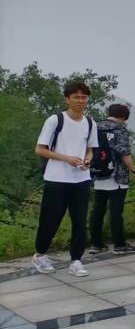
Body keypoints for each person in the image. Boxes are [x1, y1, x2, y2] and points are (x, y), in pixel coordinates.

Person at [32, 82, 99, 277]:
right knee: (50, 220)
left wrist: (88, 159)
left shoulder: (90, 122)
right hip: (57, 179)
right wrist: (66, 158)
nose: (80, 101)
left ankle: (76, 260)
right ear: (67, 99)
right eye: (76, 97)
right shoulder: (55, 120)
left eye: (84, 97)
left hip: (81, 179)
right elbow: (40, 149)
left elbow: (90, 149)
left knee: (80, 222)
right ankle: (40, 254)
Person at [89, 104, 135, 255]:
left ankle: (96, 244)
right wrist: (134, 170)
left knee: (98, 210)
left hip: (99, 174)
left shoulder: (95, 127)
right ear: (124, 117)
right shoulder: (119, 130)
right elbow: (124, 154)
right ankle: (119, 244)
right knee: (116, 212)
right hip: (117, 175)